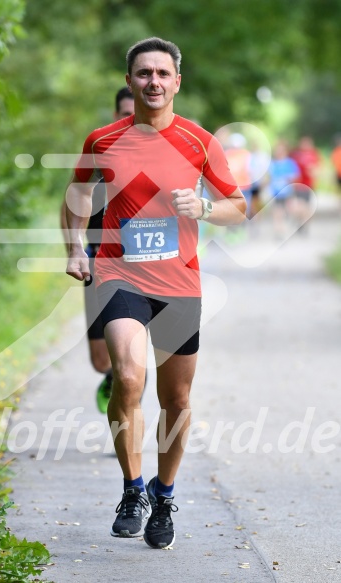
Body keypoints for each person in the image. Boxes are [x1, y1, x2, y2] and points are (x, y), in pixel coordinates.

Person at [64, 37, 246, 549]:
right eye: (143, 74)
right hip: (119, 273)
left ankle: (165, 496)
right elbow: (77, 193)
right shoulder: (103, 139)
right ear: (129, 81)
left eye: (163, 74)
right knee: (127, 376)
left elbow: (238, 205)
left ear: (177, 82)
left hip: (180, 282)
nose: (153, 83)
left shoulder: (199, 141)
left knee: (177, 397)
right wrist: (75, 248)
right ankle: (133, 489)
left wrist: (205, 209)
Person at [61, 87, 135, 414]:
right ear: (115, 114)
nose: (132, 119)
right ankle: (112, 379)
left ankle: (129, 415)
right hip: (99, 262)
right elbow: (71, 199)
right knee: (101, 358)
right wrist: (74, 249)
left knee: (132, 355)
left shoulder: (164, 152)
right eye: (125, 113)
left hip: (146, 266)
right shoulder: (102, 150)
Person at [268, 140, 300, 238]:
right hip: (276, 192)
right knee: (277, 212)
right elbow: (269, 177)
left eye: (281, 150)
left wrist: (289, 179)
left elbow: (295, 176)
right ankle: (279, 231)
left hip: (287, 192)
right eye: (277, 150)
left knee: (289, 211)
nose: (279, 152)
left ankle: (289, 227)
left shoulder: (290, 163)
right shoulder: (273, 164)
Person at [290, 136, 321, 230]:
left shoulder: (314, 154)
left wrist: (312, 170)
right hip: (299, 185)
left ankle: (304, 223)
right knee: (299, 204)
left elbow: (317, 169)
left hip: (310, 185)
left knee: (307, 205)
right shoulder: (296, 155)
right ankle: (300, 221)